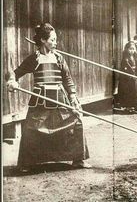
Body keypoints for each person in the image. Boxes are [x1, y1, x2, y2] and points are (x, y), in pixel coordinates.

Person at [6, 23, 90, 172]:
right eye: (52, 40)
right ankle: (26, 164)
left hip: (59, 99)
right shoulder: (34, 59)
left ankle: (78, 159)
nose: (55, 43)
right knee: (30, 129)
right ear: (43, 40)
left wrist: (73, 96)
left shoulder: (59, 58)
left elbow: (68, 79)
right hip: (40, 101)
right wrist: (12, 81)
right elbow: (15, 73)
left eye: (56, 39)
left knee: (76, 122)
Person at [117, 41, 137, 114]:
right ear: (127, 49)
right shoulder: (125, 58)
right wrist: (131, 73)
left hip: (133, 77)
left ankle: (134, 106)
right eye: (130, 49)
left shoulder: (134, 57)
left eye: (133, 49)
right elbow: (126, 68)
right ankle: (128, 107)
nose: (132, 51)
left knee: (135, 91)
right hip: (126, 79)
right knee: (128, 92)